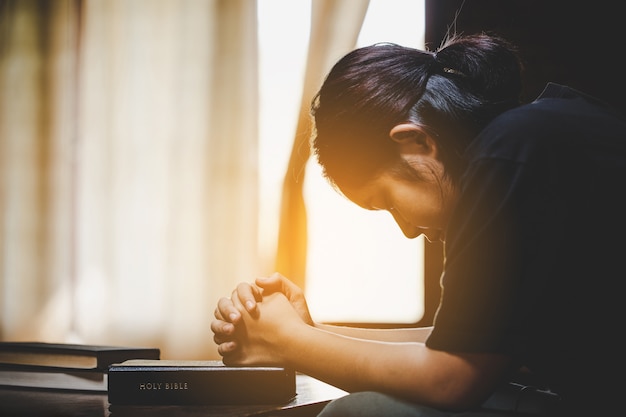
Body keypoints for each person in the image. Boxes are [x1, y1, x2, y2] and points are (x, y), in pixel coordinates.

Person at [211, 33, 625, 416]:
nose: (407, 230)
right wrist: (312, 333)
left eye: (388, 201)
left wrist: (289, 342)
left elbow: (452, 376)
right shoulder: (540, 133)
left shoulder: (511, 150)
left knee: (358, 412)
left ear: (416, 142)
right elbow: (461, 344)